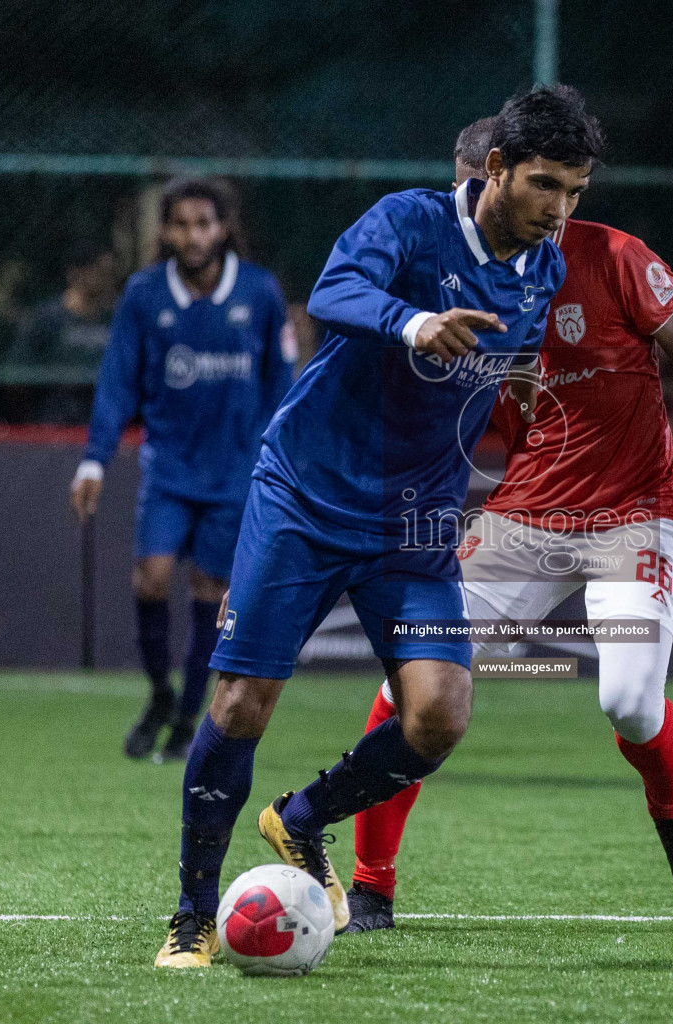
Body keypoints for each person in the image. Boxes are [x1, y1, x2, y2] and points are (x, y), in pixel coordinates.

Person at [151, 85, 594, 968]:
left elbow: (507, 373)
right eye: (547, 185)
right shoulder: (408, 222)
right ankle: (194, 916)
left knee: (440, 714)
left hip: (415, 523)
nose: (561, 209)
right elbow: (334, 289)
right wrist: (417, 322)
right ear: (497, 170)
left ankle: (302, 817)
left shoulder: (545, 267)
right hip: (308, 498)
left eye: (577, 191)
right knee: (241, 704)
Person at [339, 114, 673, 933]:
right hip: (526, 513)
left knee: (631, 704)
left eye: (568, 192)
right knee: (412, 683)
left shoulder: (613, 259)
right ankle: (372, 888)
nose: (554, 209)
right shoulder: (453, 281)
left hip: (633, 515)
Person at [70, 178, 295, 764]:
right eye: (181, 224)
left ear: (223, 228)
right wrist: (94, 457)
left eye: (204, 223)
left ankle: (187, 720)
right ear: (165, 231)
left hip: (235, 473)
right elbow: (117, 381)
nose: (193, 235)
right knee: (150, 579)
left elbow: (283, 383)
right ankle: (161, 696)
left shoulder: (260, 291)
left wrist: (277, 456)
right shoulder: (145, 295)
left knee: (211, 594)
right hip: (167, 466)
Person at [11, 242, 117, 424]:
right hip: (53, 422)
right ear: (77, 272)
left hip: (101, 420)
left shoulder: (114, 320)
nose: (106, 279)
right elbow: (17, 376)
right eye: (99, 271)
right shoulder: (47, 319)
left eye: (110, 273)